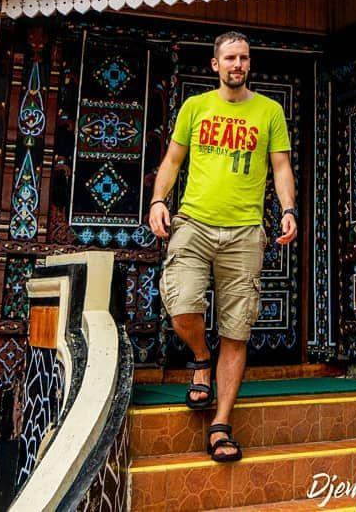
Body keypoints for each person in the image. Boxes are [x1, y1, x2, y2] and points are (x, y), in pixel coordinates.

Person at [149, 30, 297, 463]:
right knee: (181, 306)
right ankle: (199, 356)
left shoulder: (269, 111)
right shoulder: (195, 108)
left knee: (237, 329)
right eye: (230, 57)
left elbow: (281, 166)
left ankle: (220, 424)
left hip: (245, 232)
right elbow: (173, 161)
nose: (238, 64)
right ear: (215, 64)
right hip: (193, 223)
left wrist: (287, 210)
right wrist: (159, 201)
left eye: (244, 58)